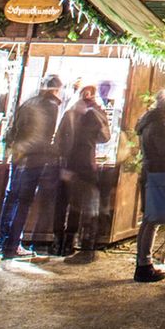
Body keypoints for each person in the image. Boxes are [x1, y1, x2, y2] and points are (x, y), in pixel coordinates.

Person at [0, 74, 63, 259]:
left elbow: (15, 128)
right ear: (57, 89)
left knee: (12, 197)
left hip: (18, 154)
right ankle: (12, 244)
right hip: (34, 158)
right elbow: (46, 135)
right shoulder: (51, 106)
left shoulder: (28, 103)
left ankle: (5, 242)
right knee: (23, 201)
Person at [55, 84, 112, 264]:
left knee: (69, 204)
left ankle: (63, 243)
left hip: (68, 165)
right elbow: (105, 137)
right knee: (89, 204)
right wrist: (98, 112)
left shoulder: (69, 113)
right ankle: (86, 245)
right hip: (86, 165)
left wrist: (62, 161)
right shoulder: (94, 115)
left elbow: (58, 139)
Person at [134, 91, 165, 282]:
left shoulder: (149, 121)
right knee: (151, 219)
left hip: (151, 172)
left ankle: (143, 263)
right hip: (157, 174)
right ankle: (143, 266)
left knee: (149, 219)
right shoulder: (158, 124)